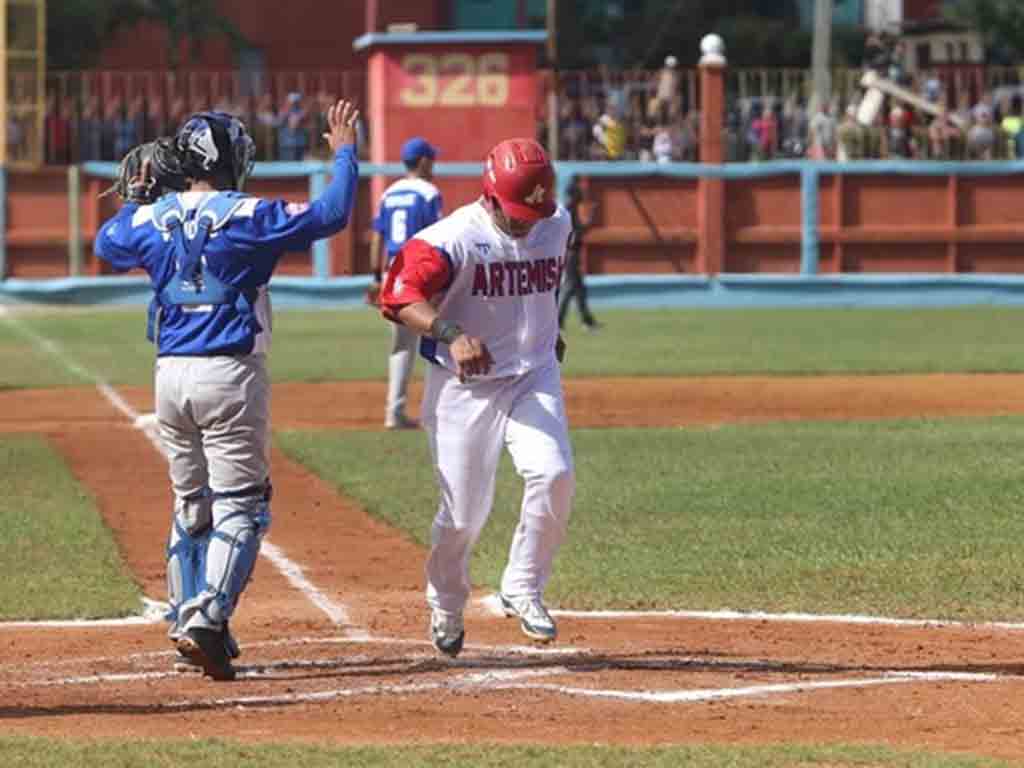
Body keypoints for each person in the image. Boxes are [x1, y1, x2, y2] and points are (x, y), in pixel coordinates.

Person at [93, 99, 361, 680]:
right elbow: (333, 214)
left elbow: (108, 244)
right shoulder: (248, 212)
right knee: (241, 506)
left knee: (191, 504)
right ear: (232, 159)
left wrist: (139, 198)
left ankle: (182, 612)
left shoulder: (151, 216)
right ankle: (208, 618)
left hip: (170, 376)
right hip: (229, 373)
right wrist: (343, 152)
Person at [378, 137, 575, 658]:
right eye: (516, 214)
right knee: (464, 514)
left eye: (534, 212)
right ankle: (445, 604)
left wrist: (546, 327)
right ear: (488, 197)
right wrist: (449, 333)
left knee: (553, 474)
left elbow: (544, 282)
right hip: (463, 386)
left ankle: (523, 585)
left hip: (534, 374)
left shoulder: (556, 222)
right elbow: (396, 295)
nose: (527, 223)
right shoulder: (450, 239)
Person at [367, 136, 444, 429]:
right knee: (437, 340)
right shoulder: (428, 193)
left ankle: (394, 412)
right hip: (419, 274)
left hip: (392, 272)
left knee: (401, 346)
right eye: (432, 159)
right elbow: (437, 235)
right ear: (423, 161)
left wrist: (377, 278)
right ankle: (435, 412)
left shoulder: (390, 193)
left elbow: (377, 237)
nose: (434, 164)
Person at [558, 179, 600, 332]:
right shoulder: (569, 210)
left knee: (579, 288)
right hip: (571, 254)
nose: (582, 194)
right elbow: (574, 235)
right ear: (574, 194)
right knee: (571, 287)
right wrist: (589, 222)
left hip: (571, 254)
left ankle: (587, 321)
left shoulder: (571, 209)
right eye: (579, 192)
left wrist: (588, 221)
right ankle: (558, 321)